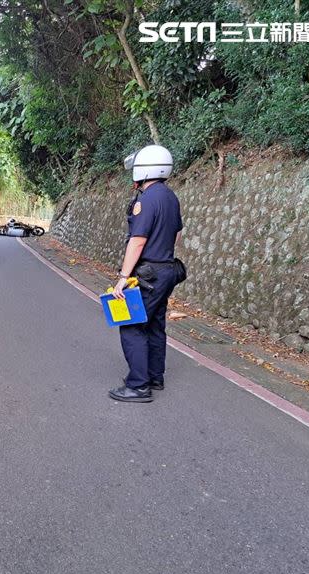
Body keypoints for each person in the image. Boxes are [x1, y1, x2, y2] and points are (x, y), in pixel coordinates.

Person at [108, 145, 183, 403]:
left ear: (146, 169)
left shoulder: (147, 199)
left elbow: (137, 241)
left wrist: (122, 277)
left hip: (149, 273)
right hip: (167, 270)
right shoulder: (171, 197)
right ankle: (154, 376)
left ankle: (138, 385)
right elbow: (176, 235)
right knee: (155, 323)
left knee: (132, 324)